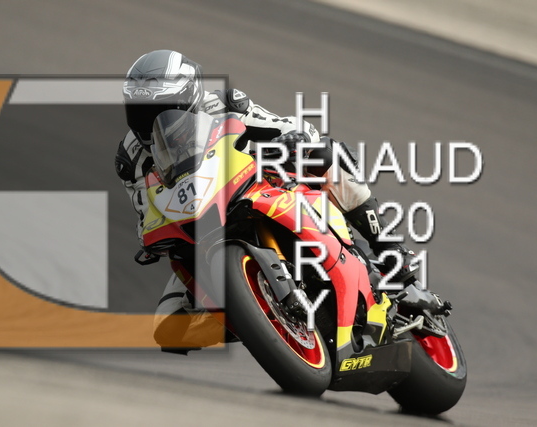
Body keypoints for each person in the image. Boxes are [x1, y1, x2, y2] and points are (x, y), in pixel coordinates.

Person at [115, 49, 418, 352]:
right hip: (198, 225)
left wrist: (292, 140)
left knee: (325, 153)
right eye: (138, 111)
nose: (148, 122)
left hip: (255, 185)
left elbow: (286, 126)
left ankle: (391, 250)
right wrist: (151, 239)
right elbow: (146, 212)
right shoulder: (130, 158)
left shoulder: (223, 104)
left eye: (159, 109)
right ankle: (252, 314)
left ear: (188, 96)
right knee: (168, 328)